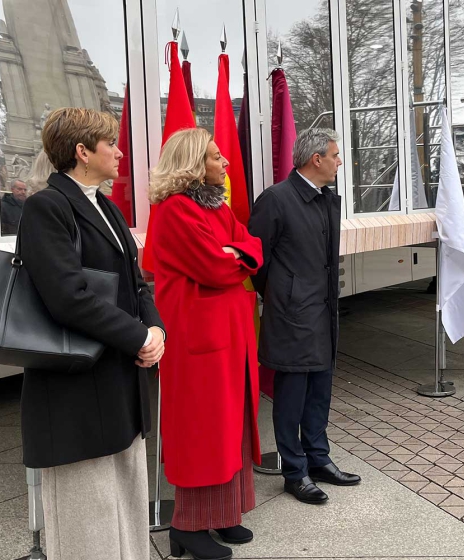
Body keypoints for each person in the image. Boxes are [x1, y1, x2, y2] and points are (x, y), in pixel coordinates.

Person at [17, 107, 165, 560]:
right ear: (82, 152)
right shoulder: (48, 206)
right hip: (75, 386)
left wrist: (155, 325)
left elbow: (136, 281)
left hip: (119, 375)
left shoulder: (105, 206)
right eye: (111, 145)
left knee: (125, 495)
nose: (121, 153)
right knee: (88, 515)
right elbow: (68, 297)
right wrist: (139, 337)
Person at [148, 128, 263, 560]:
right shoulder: (175, 210)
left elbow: (252, 244)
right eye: (216, 157)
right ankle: (187, 526)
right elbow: (216, 266)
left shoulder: (214, 207)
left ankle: (222, 512)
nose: (225, 163)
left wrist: (238, 253)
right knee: (203, 429)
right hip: (198, 339)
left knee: (231, 423)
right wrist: (235, 256)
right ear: (194, 166)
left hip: (227, 334)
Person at [248, 128, 360, 505]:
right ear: (316, 160)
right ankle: (293, 471)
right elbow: (256, 262)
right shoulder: (276, 200)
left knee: (319, 392)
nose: (339, 162)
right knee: (292, 396)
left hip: (324, 310)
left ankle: (318, 459)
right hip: (293, 315)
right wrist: (285, 294)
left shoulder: (326, 198)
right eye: (335, 155)